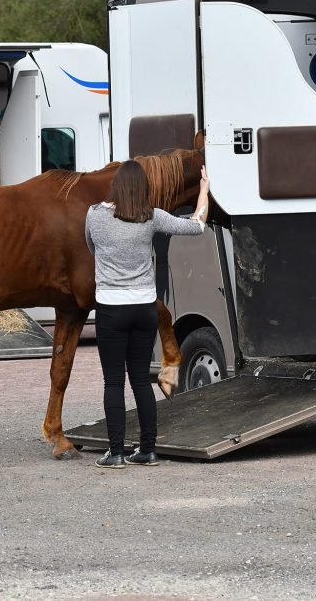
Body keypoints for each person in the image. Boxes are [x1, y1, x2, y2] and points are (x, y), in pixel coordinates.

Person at [85, 160, 211, 468]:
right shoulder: (151, 216)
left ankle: (115, 453)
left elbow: (91, 248)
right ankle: (147, 450)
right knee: (141, 379)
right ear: (143, 188)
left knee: (113, 382)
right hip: (143, 308)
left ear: (115, 185)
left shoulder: (94, 215)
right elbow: (196, 225)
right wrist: (204, 189)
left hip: (111, 308)